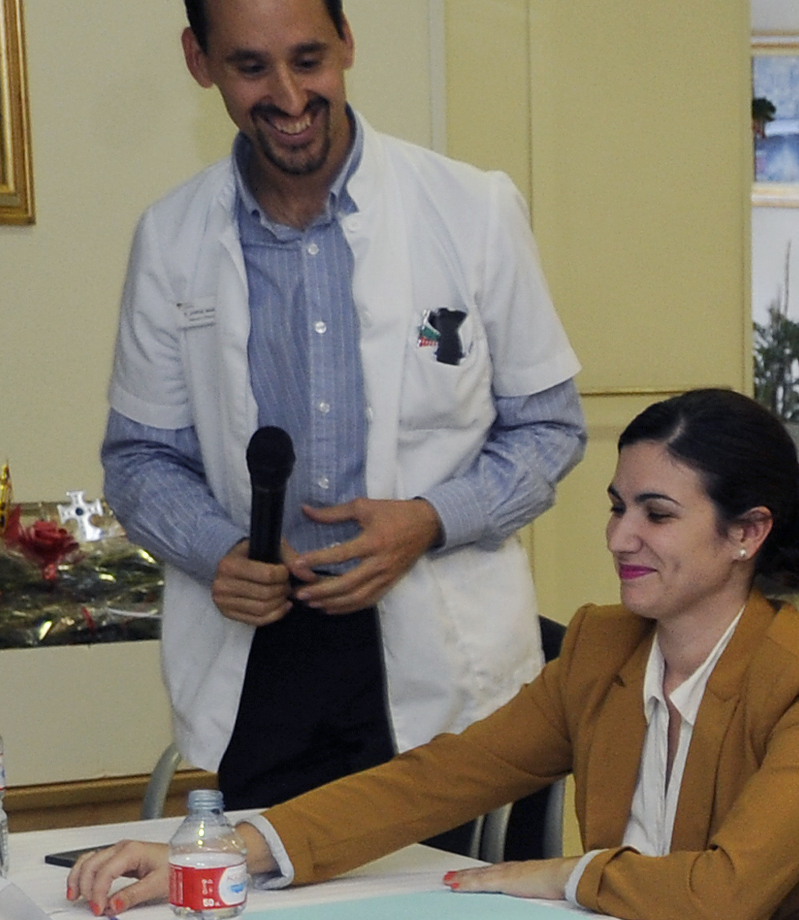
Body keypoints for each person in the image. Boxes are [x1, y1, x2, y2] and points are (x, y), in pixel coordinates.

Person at [68, 390, 799, 920]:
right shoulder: (603, 646)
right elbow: (439, 779)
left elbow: (727, 896)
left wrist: (564, 876)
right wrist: (221, 849)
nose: (619, 537)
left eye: (657, 515)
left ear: (746, 533)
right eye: (616, 507)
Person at [102, 0, 587, 811]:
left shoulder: (472, 209)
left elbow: (548, 426)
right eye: (250, 67)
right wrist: (220, 551)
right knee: (268, 887)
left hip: (440, 646)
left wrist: (429, 520)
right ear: (199, 61)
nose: (290, 97)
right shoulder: (172, 236)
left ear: (348, 42)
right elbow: (140, 458)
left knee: (452, 891)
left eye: (309, 60)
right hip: (266, 660)